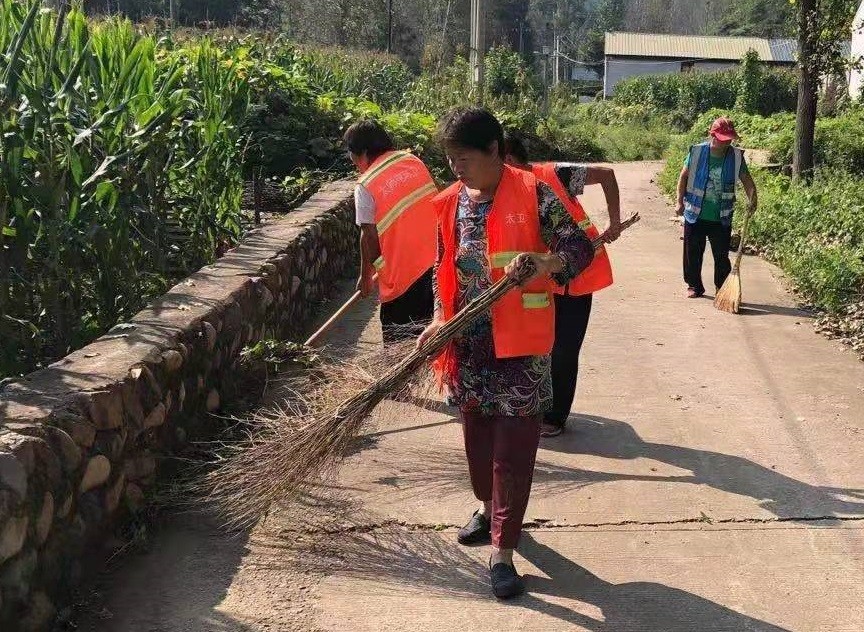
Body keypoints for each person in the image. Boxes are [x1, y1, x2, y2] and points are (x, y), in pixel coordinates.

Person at [416, 107, 595, 599]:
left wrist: (544, 262)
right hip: (469, 352)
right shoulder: (449, 203)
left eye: (465, 159)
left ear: (495, 150)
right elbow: (441, 268)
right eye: (450, 160)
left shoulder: (534, 192)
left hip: (521, 351)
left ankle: (503, 551)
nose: (456, 169)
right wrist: (437, 319)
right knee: (479, 451)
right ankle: (487, 507)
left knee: (512, 455)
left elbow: (582, 248)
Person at [503, 131, 622, 438]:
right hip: (542, 281)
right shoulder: (502, 192)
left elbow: (607, 175)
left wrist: (615, 221)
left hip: (580, 274)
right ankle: (531, 403)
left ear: (509, 160)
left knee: (564, 348)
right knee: (536, 345)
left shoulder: (558, 174)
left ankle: (555, 416)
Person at [344, 119, 438, 344]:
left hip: (402, 275)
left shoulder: (365, 185)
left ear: (362, 152)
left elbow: (368, 235)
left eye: (351, 153)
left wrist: (366, 276)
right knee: (434, 336)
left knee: (401, 342)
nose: (351, 160)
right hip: (438, 261)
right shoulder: (412, 161)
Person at [676, 116, 758, 298]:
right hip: (695, 213)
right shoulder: (697, 152)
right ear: (712, 135)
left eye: (729, 138)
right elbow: (683, 177)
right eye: (723, 138)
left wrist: (753, 198)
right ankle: (694, 286)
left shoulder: (736, 157)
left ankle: (722, 287)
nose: (727, 142)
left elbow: (747, 180)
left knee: (721, 256)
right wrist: (679, 200)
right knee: (692, 253)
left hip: (722, 215)